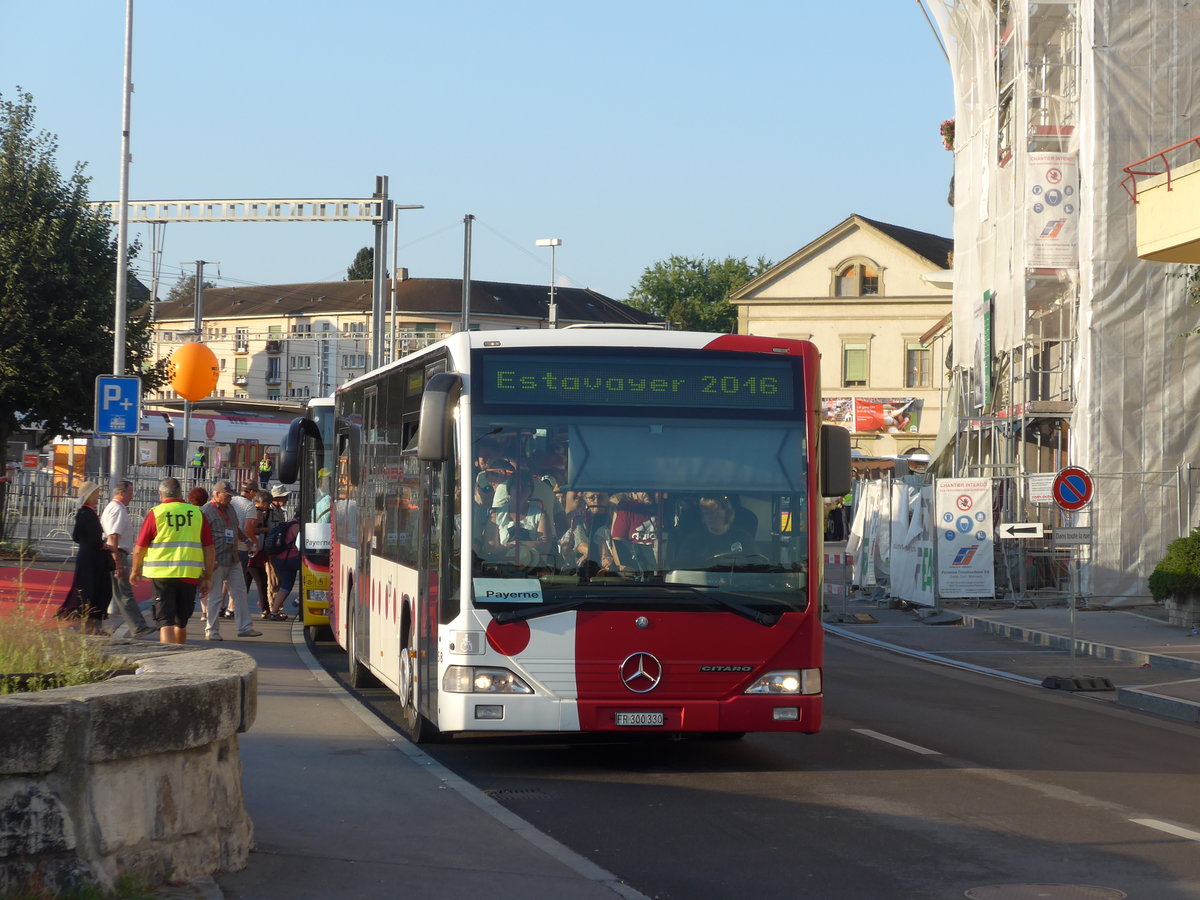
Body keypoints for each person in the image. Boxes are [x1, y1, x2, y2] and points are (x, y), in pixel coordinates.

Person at [130, 476, 215, 645]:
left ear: (160, 494)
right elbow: (209, 548)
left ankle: (166, 659)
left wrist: (135, 570)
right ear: (180, 493)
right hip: (188, 575)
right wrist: (208, 577)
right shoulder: (197, 514)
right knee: (181, 622)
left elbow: (140, 547)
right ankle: (179, 657)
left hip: (162, 576)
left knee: (165, 622)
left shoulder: (156, 513)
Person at [199, 481, 262, 641]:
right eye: (227, 495)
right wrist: (206, 561)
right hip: (216, 559)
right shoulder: (206, 511)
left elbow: (235, 528)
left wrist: (247, 541)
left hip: (232, 557)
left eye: (230, 495)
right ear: (217, 494)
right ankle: (211, 630)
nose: (229, 498)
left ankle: (244, 627)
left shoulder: (231, 508)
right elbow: (200, 536)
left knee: (240, 592)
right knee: (215, 596)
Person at [55, 481, 114, 634]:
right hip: (92, 558)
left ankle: (89, 626)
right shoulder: (87, 513)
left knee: (89, 588)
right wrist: (102, 545)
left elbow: (76, 536)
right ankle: (87, 626)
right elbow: (92, 538)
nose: (98, 496)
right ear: (90, 495)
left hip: (87, 556)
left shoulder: (85, 512)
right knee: (92, 589)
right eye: (96, 493)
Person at [100, 480, 155, 637]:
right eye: (130, 493)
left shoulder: (115, 508)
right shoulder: (117, 510)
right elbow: (113, 536)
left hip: (116, 552)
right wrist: (117, 560)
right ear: (121, 493)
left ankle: (135, 625)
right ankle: (138, 626)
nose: (132, 497)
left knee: (118, 591)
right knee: (124, 592)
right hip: (117, 553)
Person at [485, 471, 552, 567]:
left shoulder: (540, 514)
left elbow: (545, 546)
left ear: (530, 491)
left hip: (533, 569)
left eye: (525, 486)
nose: (520, 489)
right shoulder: (495, 515)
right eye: (516, 486)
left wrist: (518, 544)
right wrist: (509, 547)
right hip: (503, 569)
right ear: (509, 489)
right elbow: (490, 548)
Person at [675, 495, 758, 568]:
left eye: (716, 512)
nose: (712, 516)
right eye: (707, 513)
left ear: (727, 513)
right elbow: (682, 570)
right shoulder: (692, 541)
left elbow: (754, 568)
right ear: (703, 516)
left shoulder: (744, 538)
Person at [558, 490, 617, 575]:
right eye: (592, 498)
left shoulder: (614, 516)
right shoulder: (579, 520)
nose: (596, 501)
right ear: (585, 500)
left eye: (600, 497)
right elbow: (581, 545)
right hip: (586, 567)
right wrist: (589, 552)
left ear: (607, 499)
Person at [245, 490, 276, 616]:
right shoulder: (257, 512)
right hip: (256, 550)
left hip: (252, 550)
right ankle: (265, 608)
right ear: (262, 502)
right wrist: (266, 530)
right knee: (261, 580)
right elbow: (252, 529)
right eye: (267, 503)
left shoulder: (253, 511)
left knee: (246, 581)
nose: (268, 506)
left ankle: (234, 607)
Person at [267, 511, 301, 621]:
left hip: (279, 559)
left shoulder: (288, 523)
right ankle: (300, 598)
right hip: (292, 558)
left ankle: (274, 612)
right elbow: (301, 543)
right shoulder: (296, 525)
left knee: (286, 585)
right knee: (311, 571)